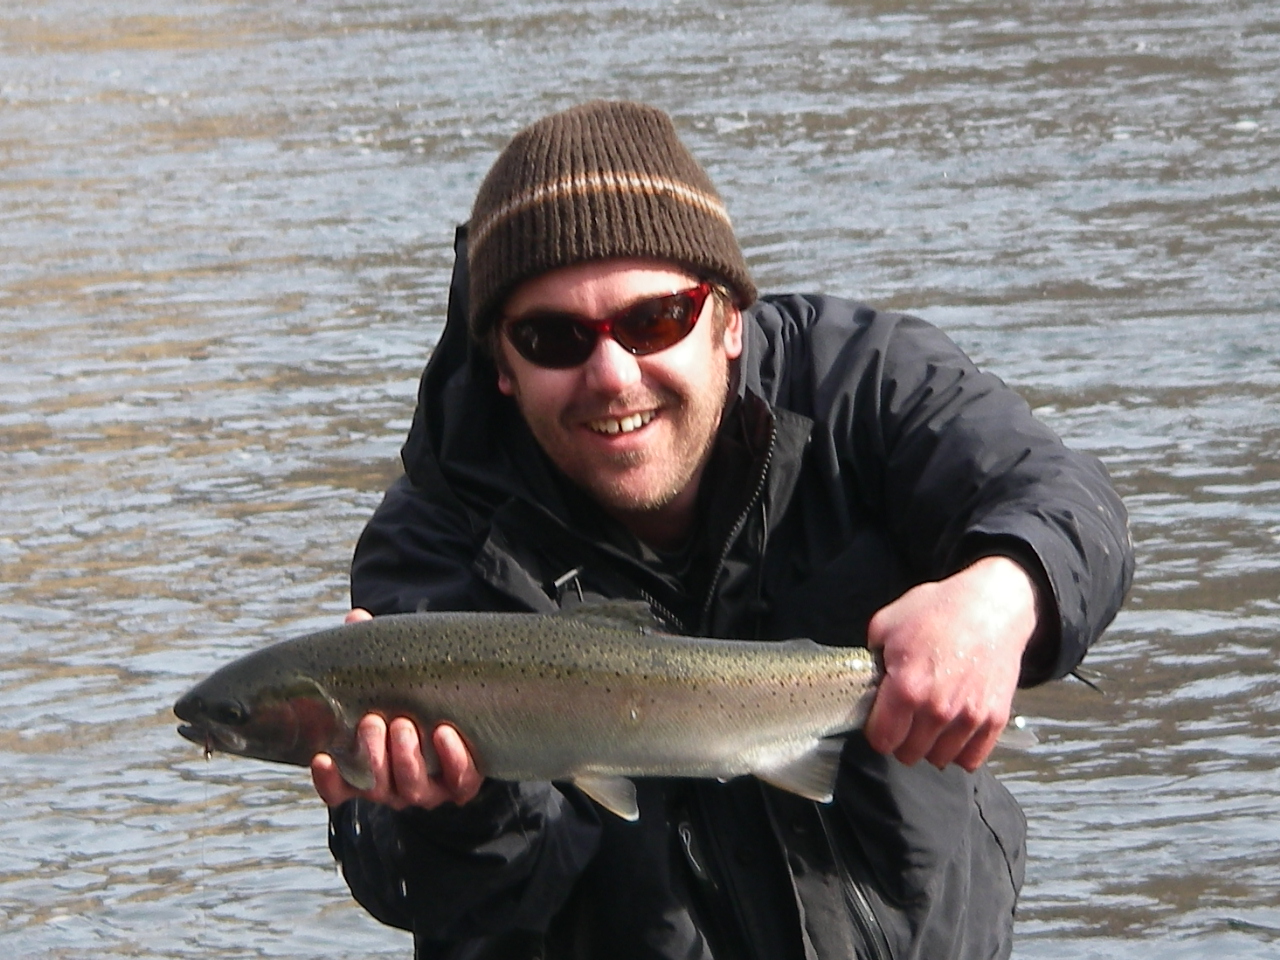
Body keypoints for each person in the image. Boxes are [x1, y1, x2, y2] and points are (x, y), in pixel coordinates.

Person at [311, 100, 1133, 960]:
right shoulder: (433, 544)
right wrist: (461, 812)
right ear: (503, 369)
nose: (612, 375)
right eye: (553, 337)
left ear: (730, 317)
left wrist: (1002, 596)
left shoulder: (859, 383)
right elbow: (412, 884)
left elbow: (1068, 501)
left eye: (654, 319)